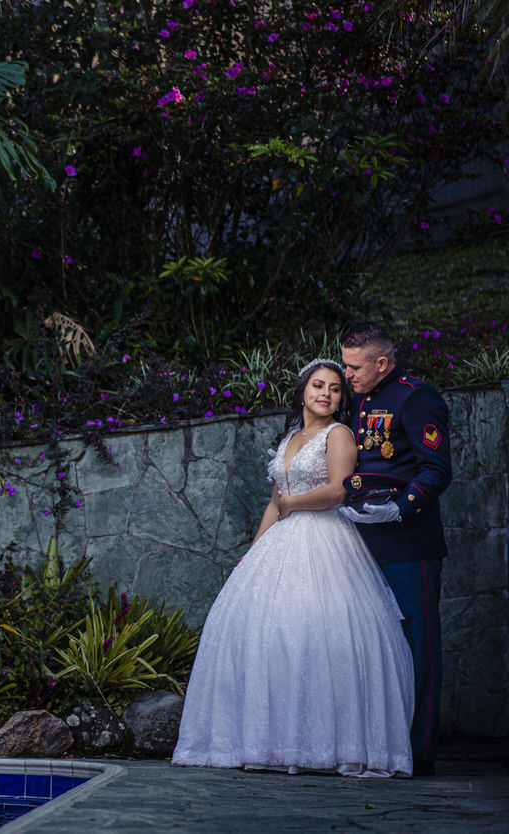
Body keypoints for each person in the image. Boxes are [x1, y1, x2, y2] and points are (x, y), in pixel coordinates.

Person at [172, 359, 414, 776]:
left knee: (318, 634)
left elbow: (338, 490)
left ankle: (326, 744)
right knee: (269, 636)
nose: (326, 394)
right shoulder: (289, 439)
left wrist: (291, 503)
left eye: (336, 389)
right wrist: (254, 550)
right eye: (318, 385)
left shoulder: (339, 434)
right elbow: (274, 501)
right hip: (281, 540)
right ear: (303, 390)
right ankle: (272, 742)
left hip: (326, 540)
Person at [339, 323, 452, 777]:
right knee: (370, 645)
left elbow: (436, 469)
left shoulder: (415, 396)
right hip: (360, 539)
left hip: (407, 541)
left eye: (354, 366)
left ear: (382, 363)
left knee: (416, 644)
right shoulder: (358, 399)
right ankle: (379, 744)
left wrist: (401, 509)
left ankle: (418, 750)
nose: (347, 374)